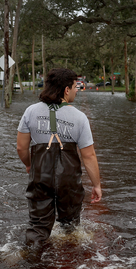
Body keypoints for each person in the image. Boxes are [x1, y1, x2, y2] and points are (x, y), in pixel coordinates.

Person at [17, 67, 102, 249]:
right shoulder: (79, 118)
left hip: (40, 176)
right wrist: (96, 184)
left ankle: (29, 258)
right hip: (69, 181)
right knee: (70, 228)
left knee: (38, 227)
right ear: (66, 90)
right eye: (75, 86)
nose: (77, 90)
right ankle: (67, 264)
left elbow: (21, 147)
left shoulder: (30, 111)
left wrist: (29, 165)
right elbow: (89, 156)